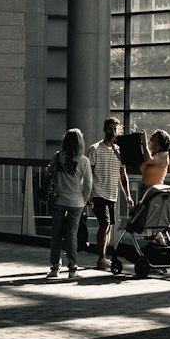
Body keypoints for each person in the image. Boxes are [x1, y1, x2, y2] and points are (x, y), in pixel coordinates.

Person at [47, 128, 92, 281]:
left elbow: (49, 173)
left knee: (56, 234)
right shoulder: (84, 161)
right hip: (76, 202)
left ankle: (54, 267)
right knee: (71, 235)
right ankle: (72, 268)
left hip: (59, 200)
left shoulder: (58, 157)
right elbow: (88, 185)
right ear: (80, 142)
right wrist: (84, 200)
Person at [87, 118, 131, 270]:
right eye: (110, 129)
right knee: (104, 223)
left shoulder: (120, 151)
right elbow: (89, 173)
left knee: (109, 226)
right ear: (104, 129)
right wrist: (89, 193)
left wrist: (128, 196)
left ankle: (104, 257)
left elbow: (123, 175)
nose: (113, 132)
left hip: (112, 194)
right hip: (98, 192)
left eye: (115, 129)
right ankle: (101, 258)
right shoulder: (95, 149)